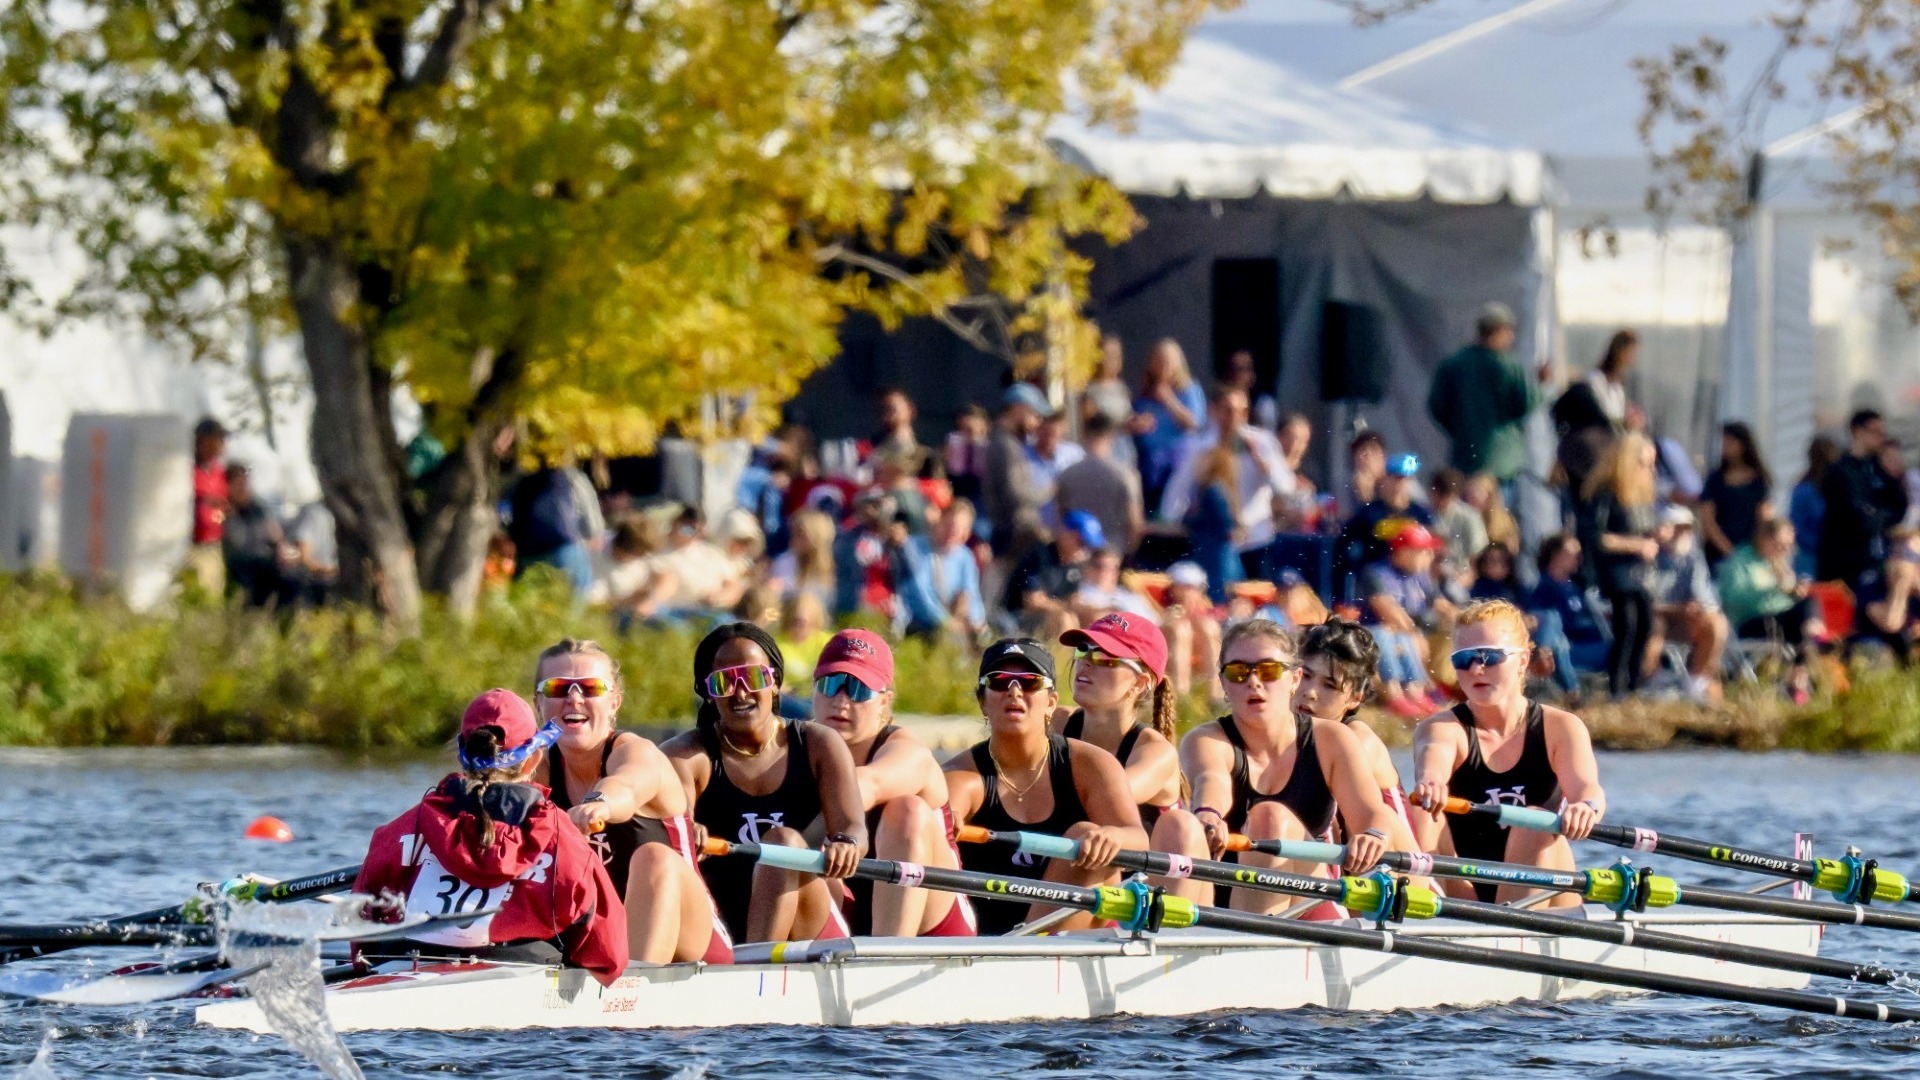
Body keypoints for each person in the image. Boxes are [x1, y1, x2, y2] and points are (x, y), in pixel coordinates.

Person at [354, 689, 627, 983]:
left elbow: (361, 935)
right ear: (533, 759)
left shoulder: (400, 829)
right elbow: (608, 955)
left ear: (462, 754)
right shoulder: (565, 840)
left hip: (405, 968)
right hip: (522, 979)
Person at [662, 623, 867, 944]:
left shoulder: (819, 743)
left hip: (810, 921)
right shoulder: (685, 756)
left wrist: (846, 844)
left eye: (754, 677)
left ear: (775, 683)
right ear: (708, 693)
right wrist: (688, 828)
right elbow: (675, 818)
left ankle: (757, 970)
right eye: (724, 682)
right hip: (723, 919)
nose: (741, 692)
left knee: (783, 844)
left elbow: (854, 828)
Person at [534, 640, 732, 965]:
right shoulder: (535, 769)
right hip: (601, 940)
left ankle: (629, 999)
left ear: (615, 702)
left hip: (694, 942)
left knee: (655, 857)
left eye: (590, 687)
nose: (573, 697)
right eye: (558, 688)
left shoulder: (637, 752)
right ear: (538, 704)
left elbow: (627, 785)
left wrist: (599, 804)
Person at [1182, 619, 1397, 917]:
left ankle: (1254, 940)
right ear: (1223, 684)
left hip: (1308, 898)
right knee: (1181, 825)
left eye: (1268, 670)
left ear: (1294, 679)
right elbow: (1212, 780)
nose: (1253, 682)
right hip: (1222, 901)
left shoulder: (1332, 738)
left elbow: (1373, 812)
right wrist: (1208, 813)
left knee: (1270, 818)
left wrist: (1373, 834)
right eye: (1238, 672)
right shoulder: (1205, 740)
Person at [1410, 600, 1606, 908]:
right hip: (1463, 890)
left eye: (1490, 656)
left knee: (1536, 821)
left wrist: (1586, 808)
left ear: (1523, 660)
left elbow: (1588, 789)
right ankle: (1461, 923)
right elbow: (1433, 763)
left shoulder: (1561, 727)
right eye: (1464, 659)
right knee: (1422, 812)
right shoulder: (1442, 728)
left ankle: (1508, 925)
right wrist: (1431, 782)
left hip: (1545, 890)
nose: (1476, 668)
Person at [947, 639, 1146, 934]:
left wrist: (1112, 836)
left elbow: (1138, 839)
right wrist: (947, 816)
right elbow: (947, 807)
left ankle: (1030, 947)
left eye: (1030, 683)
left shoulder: (1090, 765)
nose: (1014, 691)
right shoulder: (962, 773)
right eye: (999, 682)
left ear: (1051, 702)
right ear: (983, 702)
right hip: (988, 935)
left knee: (1086, 834)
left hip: (1072, 930)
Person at [813, 631, 977, 937]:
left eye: (858, 689)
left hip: (933, 922)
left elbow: (866, 785)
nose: (841, 700)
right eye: (831, 684)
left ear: (885, 701)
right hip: (846, 905)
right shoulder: (798, 747)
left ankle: (889, 955)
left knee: (907, 809)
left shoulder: (908, 751)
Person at [1290, 619, 1424, 872]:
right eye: (1306, 676)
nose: (1310, 692)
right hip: (1339, 870)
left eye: (1329, 685)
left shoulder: (1358, 738)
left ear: (1354, 699)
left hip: (1400, 875)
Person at [1160, 387, 1296, 581]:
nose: (1233, 417)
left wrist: (1261, 461)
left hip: (1256, 540)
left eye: (1240, 411)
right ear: (1215, 410)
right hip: (1219, 543)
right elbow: (1179, 485)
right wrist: (1170, 517)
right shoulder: (1202, 446)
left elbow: (1286, 487)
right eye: (1227, 410)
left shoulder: (1262, 441)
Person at [1427, 302, 1540, 494]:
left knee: (1468, 516)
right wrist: (1542, 386)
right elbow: (1524, 403)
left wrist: (1460, 430)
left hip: (1465, 459)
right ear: (1498, 331)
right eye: (1509, 331)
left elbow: (1436, 406)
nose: (1511, 337)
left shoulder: (1454, 364)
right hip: (1501, 463)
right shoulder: (1509, 366)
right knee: (1498, 519)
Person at [1583, 433, 1660, 698]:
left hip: (1641, 573)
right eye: (1643, 463)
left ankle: (1634, 687)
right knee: (1626, 626)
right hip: (1617, 573)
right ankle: (1617, 689)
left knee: (1646, 626)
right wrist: (1637, 546)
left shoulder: (1642, 496)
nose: (1648, 470)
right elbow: (1600, 537)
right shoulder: (1607, 493)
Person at [1718, 519, 1828, 699]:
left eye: (1788, 546)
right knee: (1802, 622)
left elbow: (1786, 597)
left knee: (1808, 604)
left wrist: (1794, 592)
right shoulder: (1741, 561)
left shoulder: (1778, 564)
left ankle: (1799, 674)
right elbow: (1732, 599)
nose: (1783, 550)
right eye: (1780, 545)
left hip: (1781, 621)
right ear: (1764, 539)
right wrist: (1771, 590)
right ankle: (1801, 678)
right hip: (1752, 621)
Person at [1360, 523, 1451, 718]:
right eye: (1422, 550)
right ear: (1403, 552)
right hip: (1373, 635)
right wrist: (1414, 633)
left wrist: (1466, 618)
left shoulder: (1421, 576)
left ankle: (1416, 692)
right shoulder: (1375, 573)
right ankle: (1395, 694)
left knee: (1403, 636)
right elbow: (1388, 612)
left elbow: (1442, 605)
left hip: (1403, 634)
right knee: (1388, 634)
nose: (1429, 554)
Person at [1819, 409, 1909, 590]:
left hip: (1877, 561)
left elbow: (1898, 508)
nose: (1880, 438)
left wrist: (1893, 474)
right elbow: (1857, 517)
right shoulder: (1840, 471)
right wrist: (1879, 516)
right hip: (1846, 565)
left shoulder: (1877, 470)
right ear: (1857, 431)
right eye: (1875, 432)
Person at [1651, 505, 1728, 704]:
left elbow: (1703, 597)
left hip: (1686, 621)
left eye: (1687, 528)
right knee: (1654, 623)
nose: (1682, 533)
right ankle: (1648, 681)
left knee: (1716, 623)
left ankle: (1697, 682)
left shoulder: (1693, 557)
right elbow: (1646, 603)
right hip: (1656, 620)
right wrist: (1679, 609)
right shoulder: (1649, 557)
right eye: (1677, 527)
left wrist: (1699, 607)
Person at [1335, 452, 1435, 598]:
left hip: (1413, 577)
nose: (1400, 483)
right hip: (1377, 577)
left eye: (1405, 478)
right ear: (1385, 479)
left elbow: (1430, 548)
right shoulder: (1369, 513)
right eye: (1395, 478)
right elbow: (1345, 546)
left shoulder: (1420, 514)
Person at [1525, 534, 1609, 705]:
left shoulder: (1574, 586)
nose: (1578, 557)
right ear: (1555, 555)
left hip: (1584, 644)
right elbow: (1542, 623)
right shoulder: (1542, 588)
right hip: (1567, 648)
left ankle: (1571, 689)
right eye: (1572, 551)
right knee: (1552, 623)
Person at [1551, 329, 1637, 496]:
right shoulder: (1594, 382)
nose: (1633, 360)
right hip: (1589, 455)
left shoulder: (1617, 384)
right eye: (1631, 354)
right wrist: (1623, 422)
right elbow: (1601, 417)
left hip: (1607, 455)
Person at [1133, 339, 1208, 515]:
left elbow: (1195, 423)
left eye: (1168, 361)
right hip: (1149, 466)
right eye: (1159, 360)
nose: (1163, 366)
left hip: (1176, 466)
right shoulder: (1145, 394)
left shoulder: (1188, 389)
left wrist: (1169, 400)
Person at [981, 383, 1055, 562]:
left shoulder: (1008, 442)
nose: (1037, 423)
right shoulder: (1006, 445)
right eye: (1034, 415)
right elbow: (1016, 493)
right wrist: (1052, 490)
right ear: (1018, 408)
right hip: (1012, 534)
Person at [1055, 413, 1145, 556]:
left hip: (1078, 554)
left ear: (1084, 434)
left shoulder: (1067, 474)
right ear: (1112, 437)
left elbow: (1060, 520)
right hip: (1113, 555)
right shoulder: (1126, 475)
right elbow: (1135, 523)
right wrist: (1129, 553)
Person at [1004, 510, 1102, 638]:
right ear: (1065, 533)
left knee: (1096, 619)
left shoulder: (1073, 565)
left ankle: (1093, 657)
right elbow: (1032, 601)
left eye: (1088, 547)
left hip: (1053, 613)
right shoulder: (1040, 557)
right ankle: (1066, 658)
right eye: (1081, 543)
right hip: (1018, 618)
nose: (1084, 551)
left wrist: (1094, 610)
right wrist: (1066, 609)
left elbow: (1073, 599)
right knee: (1064, 619)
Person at [508, 463, 596, 595]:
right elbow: (593, 528)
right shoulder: (572, 476)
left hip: (527, 553)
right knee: (576, 594)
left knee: (524, 602)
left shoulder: (521, 476)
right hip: (564, 549)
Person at [911, 497, 988, 642]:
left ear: (966, 534)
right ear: (940, 521)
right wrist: (945, 621)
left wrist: (976, 621)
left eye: (958, 530)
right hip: (921, 621)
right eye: (948, 526)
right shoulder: (916, 548)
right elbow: (920, 594)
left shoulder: (965, 556)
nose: (951, 533)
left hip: (954, 621)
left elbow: (972, 593)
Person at [1698, 421, 1774, 565]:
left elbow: (1764, 516)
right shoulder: (1715, 479)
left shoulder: (1758, 480)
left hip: (1751, 553)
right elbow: (1707, 519)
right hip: (1718, 555)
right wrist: (1729, 551)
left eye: (1731, 442)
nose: (1725, 447)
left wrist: (1759, 548)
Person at [653, 506, 749, 616]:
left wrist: (719, 597)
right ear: (674, 524)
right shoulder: (660, 554)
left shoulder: (711, 553)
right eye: (687, 529)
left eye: (698, 530)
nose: (693, 534)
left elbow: (733, 585)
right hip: (678, 611)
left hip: (713, 610)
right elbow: (663, 584)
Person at [1181, 444, 1243, 605]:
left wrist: (1189, 519)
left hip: (1214, 556)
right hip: (1221, 555)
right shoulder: (1222, 490)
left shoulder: (1213, 491)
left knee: (1216, 599)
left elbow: (1225, 525)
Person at [221, 463, 289, 608]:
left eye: (245, 484)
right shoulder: (224, 510)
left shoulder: (257, 508)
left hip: (264, 563)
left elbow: (275, 532)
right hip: (239, 565)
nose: (243, 489)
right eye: (238, 484)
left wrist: (281, 546)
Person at [1855, 526, 1920, 666]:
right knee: (1878, 657)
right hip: (1874, 648)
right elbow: (1891, 623)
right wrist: (1901, 584)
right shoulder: (1871, 587)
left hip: (1908, 659)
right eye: (1909, 557)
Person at [1161, 561, 1224, 702]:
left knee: (1208, 626)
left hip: (1197, 650)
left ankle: (1215, 696)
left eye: (1194, 588)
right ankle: (1181, 697)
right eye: (1185, 587)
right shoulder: (1159, 607)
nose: (1189, 593)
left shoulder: (1207, 615)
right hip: (1166, 648)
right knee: (1180, 629)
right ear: (1173, 588)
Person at [1790, 435, 1842, 579]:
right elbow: (1798, 529)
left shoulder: (1802, 489)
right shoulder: (1806, 491)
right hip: (1811, 559)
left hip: (1831, 557)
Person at [767, 507, 837, 613]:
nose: (794, 539)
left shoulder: (834, 564)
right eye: (793, 534)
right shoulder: (784, 561)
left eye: (801, 535)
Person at [1083, 334, 1137, 468]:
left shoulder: (1122, 388)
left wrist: (1137, 422)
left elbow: (1128, 416)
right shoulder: (1090, 389)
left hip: (1124, 447)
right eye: (1108, 355)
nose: (1113, 361)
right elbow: (1089, 422)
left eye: (1117, 356)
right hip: (1103, 447)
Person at [188, 418, 228, 594]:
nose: (222, 444)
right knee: (199, 590)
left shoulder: (218, 470)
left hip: (215, 543)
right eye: (219, 439)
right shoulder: (188, 469)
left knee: (215, 590)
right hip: (193, 544)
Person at [1428, 468, 1487, 578]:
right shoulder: (1421, 513)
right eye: (1439, 495)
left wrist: (1468, 577)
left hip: (1460, 574)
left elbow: (1477, 556)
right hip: (1429, 574)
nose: (1443, 502)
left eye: (1448, 497)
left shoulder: (1470, 517)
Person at [1073, 548, 1159, 623]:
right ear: (1089, 569)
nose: (1104, 572)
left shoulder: (1129, 596)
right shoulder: (1082, 593)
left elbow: (1155, 620)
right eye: (1100, 566)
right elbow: (1079, 610)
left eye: (1111, 568)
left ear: (1116, 572)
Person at [944, 405, 992, 506]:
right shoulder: (954, 441)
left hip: (982, 491)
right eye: (963, 428)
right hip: (957, 487)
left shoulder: (990, 446)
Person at [1464, 472, 1520, 553]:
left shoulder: (1504, 522)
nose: (1470, 499)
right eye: (1468, 494)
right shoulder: (1462, 518)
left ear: (1489, 496)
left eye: (1477, 492)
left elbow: (1512, 550)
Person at [871, 388, 924, 468]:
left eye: (891, 409)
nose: (886, 415)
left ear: (910, 410)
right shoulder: (869, 453)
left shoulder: (926, 459)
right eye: (883, 410)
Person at [1341, 430, 1387, 519]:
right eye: (1363, 452)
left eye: (1373, 450)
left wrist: (1368, 497)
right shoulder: (1346, 487)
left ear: (1384, 458)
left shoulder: (1399, 480)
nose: (1368, 456)